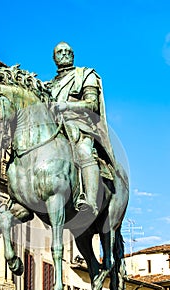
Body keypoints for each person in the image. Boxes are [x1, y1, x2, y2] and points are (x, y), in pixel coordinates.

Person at [48, 41, 115, 216]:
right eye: (59, 52)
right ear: (54, 58)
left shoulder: (85, 75)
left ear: (73, 55)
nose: (64, 54)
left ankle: (91, 201)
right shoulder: (49, 85)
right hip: (55, 129)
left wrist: (66, 105)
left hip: (79, 126)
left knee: (84, 151)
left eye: (67, 51)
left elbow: (92, 104)